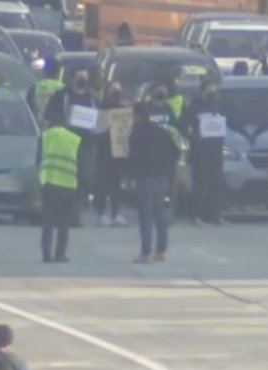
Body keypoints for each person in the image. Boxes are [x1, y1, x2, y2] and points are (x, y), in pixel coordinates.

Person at [128, 104, 179, 262]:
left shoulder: (136, 134)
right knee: (159, 215)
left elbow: (132, 158)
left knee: (145, 217)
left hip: (144, 178)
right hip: (160, 178)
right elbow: (176, 152)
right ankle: (160, 251)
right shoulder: (161, 132)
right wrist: (165, 168)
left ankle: (146, 253)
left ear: (137, 116)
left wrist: (131, 175)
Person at [49, 71, 99, 222]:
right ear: (72, 78)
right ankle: (67, 214)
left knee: (85, 177)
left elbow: (100, 117)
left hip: (87, 143)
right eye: (79, 76)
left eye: (85, 76)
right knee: (67, 178)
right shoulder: (61, 96)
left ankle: (78, 207)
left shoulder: (92, 98)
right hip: (66, 142)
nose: (82, 79)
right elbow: (50, 116)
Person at [36, 113, 81, 262]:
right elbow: (81, 164)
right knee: (64, 221)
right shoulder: (74, 139)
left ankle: (46, 252)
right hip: (68, 184)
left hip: (49, 182)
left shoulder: (45, 137)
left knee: (48, 220)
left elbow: (38, 160)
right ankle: (60, 254)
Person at [182, 80, 226, 225]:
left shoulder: (219, 105)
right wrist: (192, 135)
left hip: (216, 149)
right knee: (201, 183)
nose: (213, 90)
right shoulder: (194, 106)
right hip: (200, 150)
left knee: (216, 183)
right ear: (203, 90)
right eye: (209, 88)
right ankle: (196, 215)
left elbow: (228, 121)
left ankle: (215, 216)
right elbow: (184, 124)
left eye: (214, 88)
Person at [93, 82, 129, 227]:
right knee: (102, 184)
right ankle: (101, 213)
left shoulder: (123, 109)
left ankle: (116, 213)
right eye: (114, 90)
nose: (116, 93)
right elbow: (98, 131)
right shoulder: (101, 108)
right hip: (103, 152)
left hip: (118, 153)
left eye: (118, 90)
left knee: (116, 184)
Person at [27, 63, 65, 127]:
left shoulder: (35, 87)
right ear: (58, 73)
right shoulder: (63, 88)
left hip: (37, 125)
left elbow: (28, 108)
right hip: (57, 126)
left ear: (44, 72)